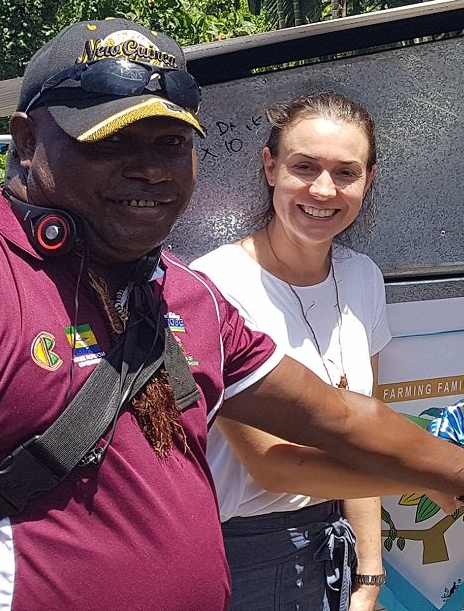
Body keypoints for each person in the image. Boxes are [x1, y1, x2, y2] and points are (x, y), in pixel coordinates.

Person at [0, 18, 464, 611]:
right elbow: (275, 463)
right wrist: (463, 480)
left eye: (170, 143)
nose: (148, 168)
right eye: (109, 141)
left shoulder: (187, 297)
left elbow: (341, 420)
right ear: (26, 140)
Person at [191, 93, 391, 611]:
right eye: (304, 167)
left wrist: (368, 576)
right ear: (270, 167)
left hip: (335, 543)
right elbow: (273, 466)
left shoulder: (363, 277)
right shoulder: (216, 286)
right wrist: (456, 479)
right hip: (244, 550)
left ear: (368, 180)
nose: (323, 190)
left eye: (346, 173)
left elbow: (366, 433)